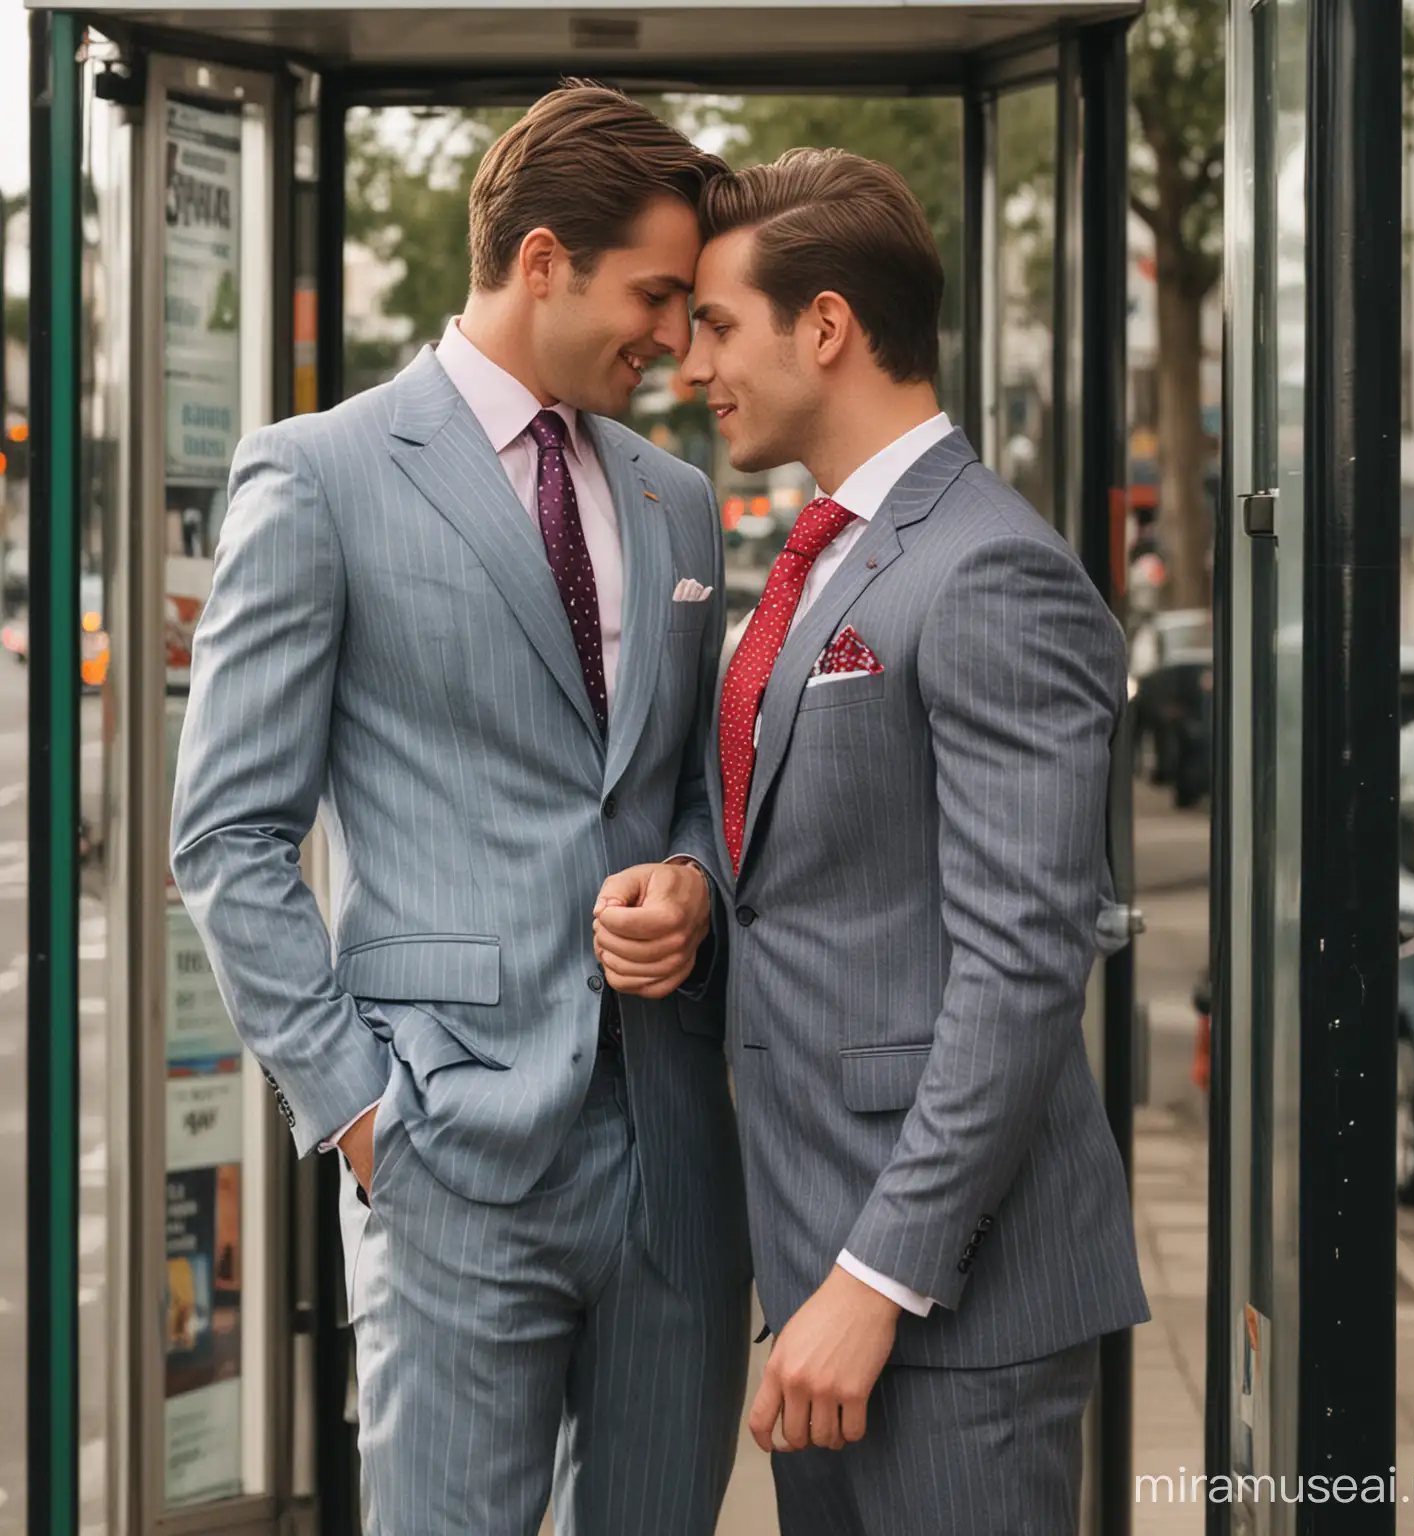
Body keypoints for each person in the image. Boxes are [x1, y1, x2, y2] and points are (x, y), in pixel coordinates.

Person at [171, 83, 751, 1536]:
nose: (676, 338)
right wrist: (358, 1111)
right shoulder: (319, 477)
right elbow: (228, 836)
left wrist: (690, 875)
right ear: (544, 259)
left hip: (677, 1162)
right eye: (657, 295)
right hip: (447, 1153)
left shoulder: (679, 500)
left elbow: (696, 780)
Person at [636, 147, 1150, 1532]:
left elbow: (1023, 965)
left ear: (826, 326)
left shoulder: (988, 569)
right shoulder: (826, 558)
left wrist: (879, 1279)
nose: (693, 366)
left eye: (720, 325)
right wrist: (694, 890)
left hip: (943, 1301)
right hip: (815, 1269)